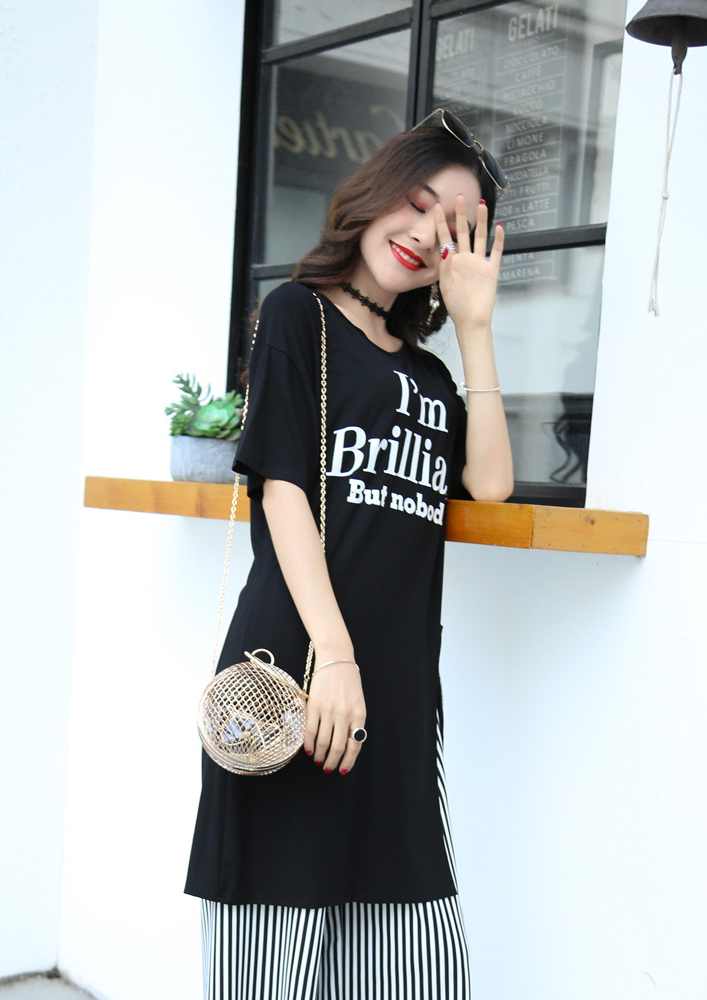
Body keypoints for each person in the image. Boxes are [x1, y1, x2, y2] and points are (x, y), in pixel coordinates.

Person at [185, 109, 514, 1000]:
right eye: (419, 202)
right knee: (271, 976)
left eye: (454, 228)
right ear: (375, 193)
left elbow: (490, 483)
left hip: (395, 704)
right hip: (298, 682)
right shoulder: (297, 316)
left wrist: (476, 328)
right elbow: (283, 490)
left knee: (415, 973)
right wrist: (335, 654)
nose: (427, 234)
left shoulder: (432, 377)